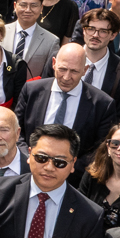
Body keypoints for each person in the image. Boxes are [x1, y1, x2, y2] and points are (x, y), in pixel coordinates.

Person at [0, 123, 107, 238]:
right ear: (29, 155)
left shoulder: (90, 215)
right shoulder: (1, 191)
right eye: (42, 158)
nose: (49, 167)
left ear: (72, 164)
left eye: (60, 162)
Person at [14, 43, 113, 174]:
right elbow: (16, 130)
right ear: (54, 63)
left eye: (74, 71)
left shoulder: (102, 104)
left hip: (72, 178)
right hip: (28, 170)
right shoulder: (31, 91)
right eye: (62, 69)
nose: (66, 77)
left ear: (85, 70)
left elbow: (100, 148)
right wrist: (31, 159)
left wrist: (66, 168)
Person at [74, 9, 120, 122]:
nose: (95, 35)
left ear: (113, 35)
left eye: (103, 31)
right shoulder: (62, 59)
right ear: (84, 31)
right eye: (91, 29)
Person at [4, 0, 60, 82]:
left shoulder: (51, 41)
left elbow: (49, 76)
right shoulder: (0, 32)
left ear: (41, 8)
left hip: (31, 93)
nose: (28, 10)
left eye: (33, 5)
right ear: (15, 6)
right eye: (23, 5)